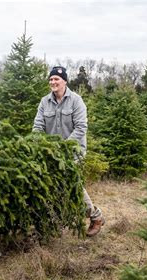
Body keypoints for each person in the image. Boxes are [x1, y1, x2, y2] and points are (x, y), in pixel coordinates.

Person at [32, 66, 105, 237]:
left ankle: (95, 216)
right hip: (51, 152)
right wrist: (37, 144)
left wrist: (64, 146)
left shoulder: (76, 101)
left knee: (71, 183)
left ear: (64, 81)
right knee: (52, 185)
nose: (53, 82)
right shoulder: (45, 102)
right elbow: (38, 126)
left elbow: (81, 127)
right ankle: (54, 223)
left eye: (56, 79)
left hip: (74, 151)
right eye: (51, 79)